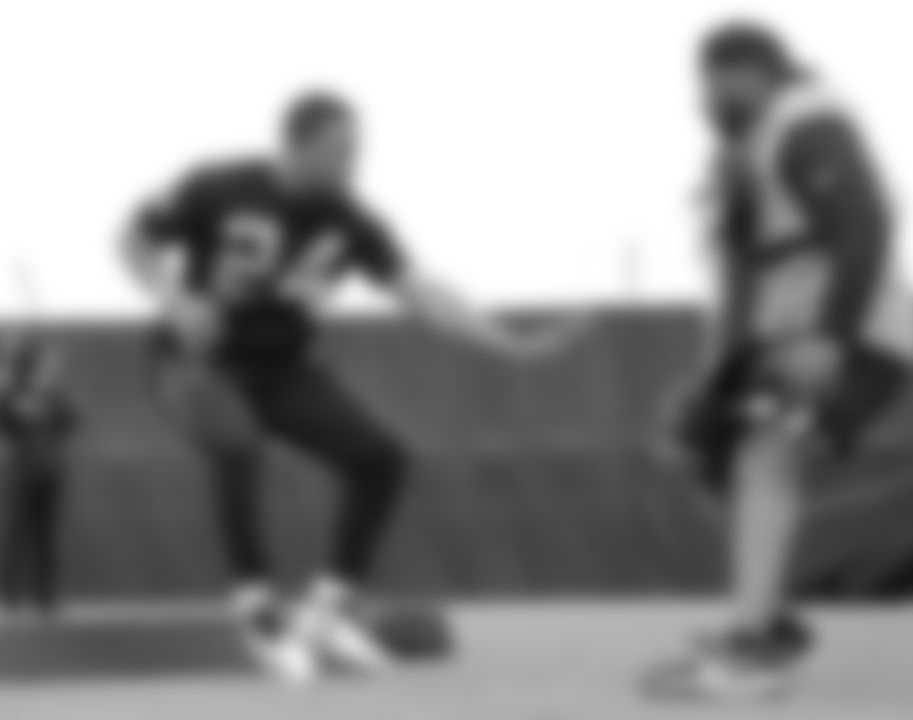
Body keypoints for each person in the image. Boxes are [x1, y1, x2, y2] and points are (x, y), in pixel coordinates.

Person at [124, 91, 588, 684]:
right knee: (237, 445)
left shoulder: (352, 220)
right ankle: (256, 609)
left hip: (283, 369)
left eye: (356, 149)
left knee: (382, 459)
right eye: (340, 149)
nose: (353, 162)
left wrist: (507, 340)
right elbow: (130, 240)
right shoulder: (216, 185)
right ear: (296, 146)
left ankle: (329, 610)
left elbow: (421, 291)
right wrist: (172, 298)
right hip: (195, 360)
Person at [644, 22, 913, 700]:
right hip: (790, 336)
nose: (708, 96)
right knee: (717, 451)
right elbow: (746, 283)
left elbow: (868, 222)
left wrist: (833, 337)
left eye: (721, 79)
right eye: (703, 82)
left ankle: (753, 650)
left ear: (763, 71)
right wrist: (711, 384)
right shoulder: (747, 151)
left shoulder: (806, 120)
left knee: (765, 453)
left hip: (859, 333)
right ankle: (764, 621)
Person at [0, 331, 78, 618]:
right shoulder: (16, 397)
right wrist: (1, 395)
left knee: (45, 537)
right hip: (23, 474)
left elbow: (70, 422)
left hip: (50, 474)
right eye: (45, 367)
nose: (49, 372)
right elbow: (1, 423)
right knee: (17, 536)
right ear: (33, 369)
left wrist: (46, 406)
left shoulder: (57, 400)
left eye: (53, 368)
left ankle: (45, 598)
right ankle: (9, 598)